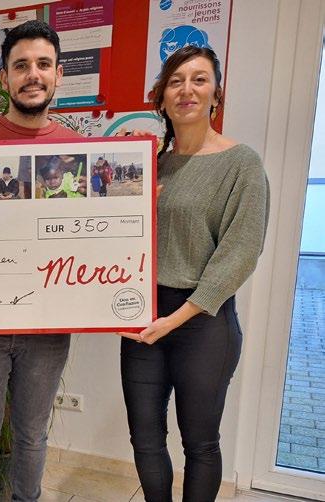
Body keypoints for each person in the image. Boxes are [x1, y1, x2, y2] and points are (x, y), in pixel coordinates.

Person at [118, 45, 269, 501]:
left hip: (203, 322)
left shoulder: (241, 163)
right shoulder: (148, 164)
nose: (187, 90)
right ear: (161, 96)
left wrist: (176, 318)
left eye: (199, 79)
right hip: (143, 318)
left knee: (199, 443)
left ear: (215, 95)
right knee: (144, 438)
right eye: (176, 81)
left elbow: (240, 252)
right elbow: (114, 235)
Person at [0, 20, 80, 502]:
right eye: (21, 65)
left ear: (58, 74)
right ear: (4, 78)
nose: (33, 74)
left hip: (47, 324)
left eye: (43, 64)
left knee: (31, 435)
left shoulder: (77, 151)